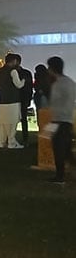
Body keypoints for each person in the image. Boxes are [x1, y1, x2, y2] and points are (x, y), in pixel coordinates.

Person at [46, 56, 75, 184]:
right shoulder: (70, 82)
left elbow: (55, 103)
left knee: (58, 149)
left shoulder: (57, 85)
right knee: (67, 151)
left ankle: (60, 176)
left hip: (59, 120)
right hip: (68, 119)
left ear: (52, 69)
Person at [0, 53, 25, 149]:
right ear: (14, 61)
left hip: (2, 100)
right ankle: (12, 142)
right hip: (13, 100)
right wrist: (24, 80)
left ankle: (1, 142)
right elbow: (18, 84)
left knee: (3, 123)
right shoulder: (13, 71)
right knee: (12, 122)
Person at [16, 55, 33, 146]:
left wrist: (28, 98)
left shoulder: (25, 73)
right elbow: (30, 87)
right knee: (23, 119)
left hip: (21, 98)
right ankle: (24, 139)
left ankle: (24, 138)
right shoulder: (26, 73)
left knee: (23, 119)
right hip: (22, 98)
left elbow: (29, 87)